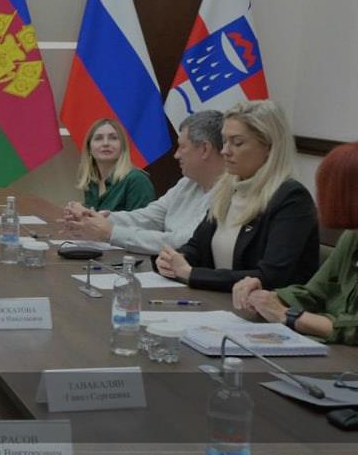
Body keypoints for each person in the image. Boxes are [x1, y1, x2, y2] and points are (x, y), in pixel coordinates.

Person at [157, 100, 318, 292]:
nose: (225, 151)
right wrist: (174, 259)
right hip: (217, 301)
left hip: (261, 308)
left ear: (269, 147)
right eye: (224, 141)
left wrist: (191, 273)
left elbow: (271, 276)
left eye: (237, 143)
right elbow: (196, 247)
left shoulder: (291, 198)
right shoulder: (228, 188)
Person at [232, 142, 358, 344]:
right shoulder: (352, 236)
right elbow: (314, 293)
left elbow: (354, 328)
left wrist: (287, 315)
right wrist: (270, 297)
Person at [61, 111, 226, 256]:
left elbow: (181, 242)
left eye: (182, 147)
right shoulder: (187, 183)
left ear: (205, 149)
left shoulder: (228, 193)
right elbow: (148, 217)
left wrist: (111, 232)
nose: (176, 155)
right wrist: (93, 217)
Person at [73, 117, 155, 212]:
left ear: (123, 147)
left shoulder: (137, 180)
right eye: (98, 138)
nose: (105, 143)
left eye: (113, 138)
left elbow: (143, 221)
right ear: (89, 148)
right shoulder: (91, 182)